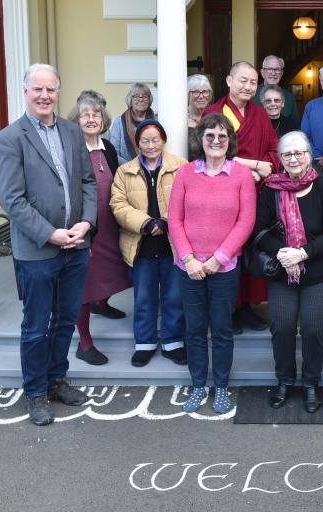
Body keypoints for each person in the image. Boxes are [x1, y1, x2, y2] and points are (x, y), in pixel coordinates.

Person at [0, 63, 97, 426]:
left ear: (58, 92)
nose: (44, 95)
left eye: (50, 89)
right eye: (37, 89)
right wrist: (51, 233)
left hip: (76, 246)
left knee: (66, 319)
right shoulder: (9, 139)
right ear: (25, 91)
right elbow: (12, 200)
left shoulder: (71, 132)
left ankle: (57, 379)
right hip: (37, 250)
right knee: (36, 326)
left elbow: (87, 182)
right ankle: (35, 392)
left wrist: (87, 222)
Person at [169, 113, 256, 414]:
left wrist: (219, 258)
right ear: (200, 140)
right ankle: (198, 385)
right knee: (194, 329)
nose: (216, 141)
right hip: (189, 267)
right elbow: (175, 220)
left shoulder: (241, 175)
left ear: (230, 140)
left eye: (222, 136)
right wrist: (189, 258)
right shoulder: (185, 173)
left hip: (224, 268)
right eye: (210, 136)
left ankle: (220, 386)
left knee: (221, 329)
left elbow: (246, 221)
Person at [253, 131, 323, 413]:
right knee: (282, 325)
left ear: (308, 155)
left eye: (299, 153)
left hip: (317, 270)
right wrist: (283, 252)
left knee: (315, 327)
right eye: (287, 154)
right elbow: (259, 231)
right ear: (280, 159)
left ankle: (311, 383)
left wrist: (302, 253)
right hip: (282, 271)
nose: (293, 158)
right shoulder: (271, 188)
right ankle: (285, 380)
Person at [204, 61, 280, 332]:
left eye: (252, 82)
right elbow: (211, 151)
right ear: (228, 80)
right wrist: (253, 166)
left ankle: (247, 305)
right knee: (228, 247)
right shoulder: (214, 112)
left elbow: (273, 149)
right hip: (224, 192)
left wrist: (262, 172)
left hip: (257, 191)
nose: (248, 86)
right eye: (243, 80)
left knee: (252, 247)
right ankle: (229, 309)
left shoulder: (259, 114)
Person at [110, 120, 188, 368]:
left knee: (174, 296)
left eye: (156, 139)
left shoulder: (181, 167)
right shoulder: (125, 171)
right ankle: (145, 344)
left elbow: (189, 200)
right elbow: (118, 205)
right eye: (145, 140)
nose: (151, 145)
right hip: (141, 244)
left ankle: (173, 342)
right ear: (138, 143)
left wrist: (166, 222)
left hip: (172, 243)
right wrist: (145, 223)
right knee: (143, 297)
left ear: (163, 140)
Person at [67, 91, 132, 365]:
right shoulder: (71, 148)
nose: (91, 119)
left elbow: (116, 182)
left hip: (109, 222)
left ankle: (101, 303)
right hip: (85, 225)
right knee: (85, 280)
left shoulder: (108, 147)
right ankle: (84, 342)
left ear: (103, 119)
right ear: (77, 119)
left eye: (95, 114)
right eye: (85, 114)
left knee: (111, 267)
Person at [109, 83, 156, 164]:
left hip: (154, 169)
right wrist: (131, 167)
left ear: (149, 99)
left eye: (145, 96)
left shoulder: (157, 121)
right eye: (137, 96)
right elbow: (113, 152)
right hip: (126, 170)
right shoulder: (119, 122)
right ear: (130, 99)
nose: (141, 99)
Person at [252, 54, 300, 124]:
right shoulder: (252, 93)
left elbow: (295, 125)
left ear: (281, 73)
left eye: (277, 69)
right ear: (262, 73)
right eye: (270, 69)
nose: (273, 73)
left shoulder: (289, 97)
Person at [187, 74, 213, 160]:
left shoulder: (214, 116)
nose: (201, 96)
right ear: (187, 94)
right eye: (196, 92)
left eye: (205, 92)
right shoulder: (180, 118)